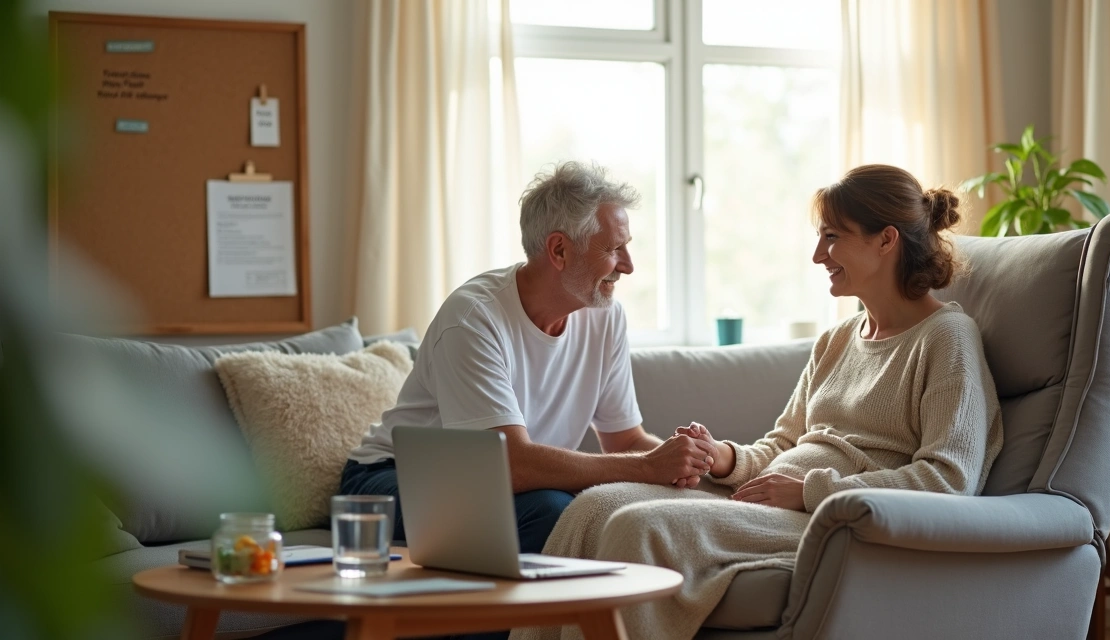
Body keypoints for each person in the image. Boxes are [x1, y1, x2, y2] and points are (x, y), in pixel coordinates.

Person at [509, 164, 1005, 640]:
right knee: (593, 507)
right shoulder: (836, 340)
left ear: (886, 239)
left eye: (832, 236)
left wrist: (809, 492)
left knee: (641, 528)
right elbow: (784, 442)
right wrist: (724, 458)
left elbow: (948, 480)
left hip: (829, 518)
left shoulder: (946, 338)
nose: (818, 254)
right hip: (775, 503)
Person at [339, 161, 716, 555]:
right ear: (559, 250)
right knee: (553, 510)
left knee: (584, 506)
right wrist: (646, 468)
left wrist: (691, 471)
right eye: (613, 248)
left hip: (496, 479)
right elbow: (508, 464)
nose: (628, 265)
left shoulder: (605, 316)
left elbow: (625, 440)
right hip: (392, 478)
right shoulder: (474, 318)